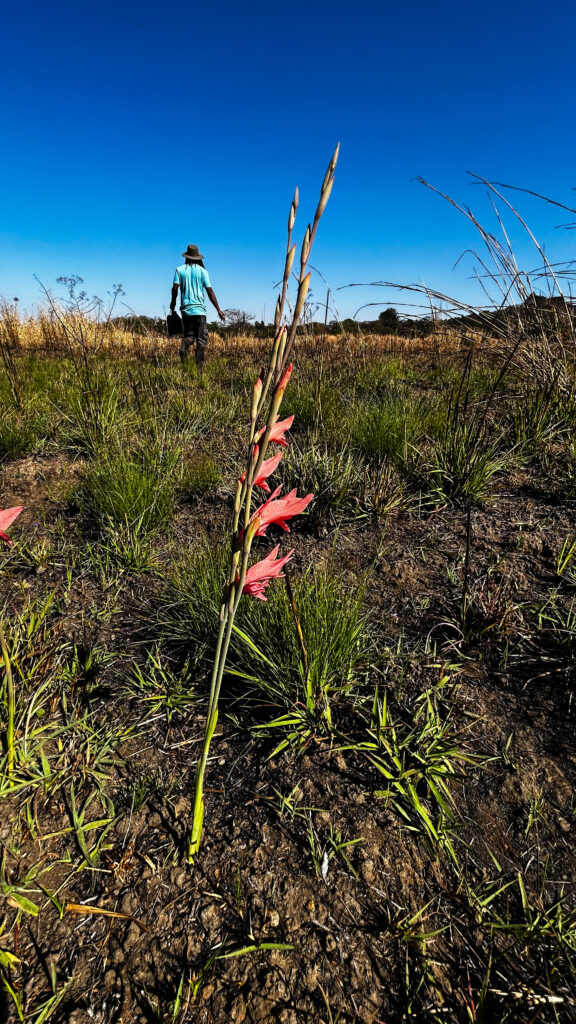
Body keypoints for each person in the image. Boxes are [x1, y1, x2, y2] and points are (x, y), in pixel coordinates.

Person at [170, 244, 225, 367]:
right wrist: (218, 310)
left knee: (189, 336)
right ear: (197, 257)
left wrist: (172, 303)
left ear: (187, 257)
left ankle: (184, 352)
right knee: (201, 340)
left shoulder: (180, 270)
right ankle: (199, 370)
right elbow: (210, 291)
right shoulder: (203, 272)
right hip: (200, 311)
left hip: (186, 311)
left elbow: (174, 288)